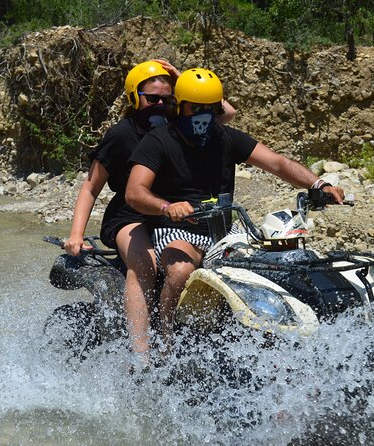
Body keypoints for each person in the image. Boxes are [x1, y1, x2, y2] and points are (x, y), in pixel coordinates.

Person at [125, 67, 344, 345]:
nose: (204, 115)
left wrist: (318, 185)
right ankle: (164, 342)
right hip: (177, 230)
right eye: (196, 108)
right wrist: (168, 207)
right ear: (180, 107)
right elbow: (135, 192)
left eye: (211, 108)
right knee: (180, 270)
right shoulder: (159, 140)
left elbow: (277, 163)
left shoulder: (226, 137)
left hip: (225, 233)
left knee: (277, 264)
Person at [63, 60, 236, 357]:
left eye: (166, 99)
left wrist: (185, 81)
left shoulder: (178, 125)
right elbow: (91, 186)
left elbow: (227, 114)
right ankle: (141, 356)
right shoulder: (122, 135)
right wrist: (76, 234)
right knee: (144, 264)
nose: (159, 104)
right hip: (130, 214)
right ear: (134, 97)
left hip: (171, 214)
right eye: (151, 98)